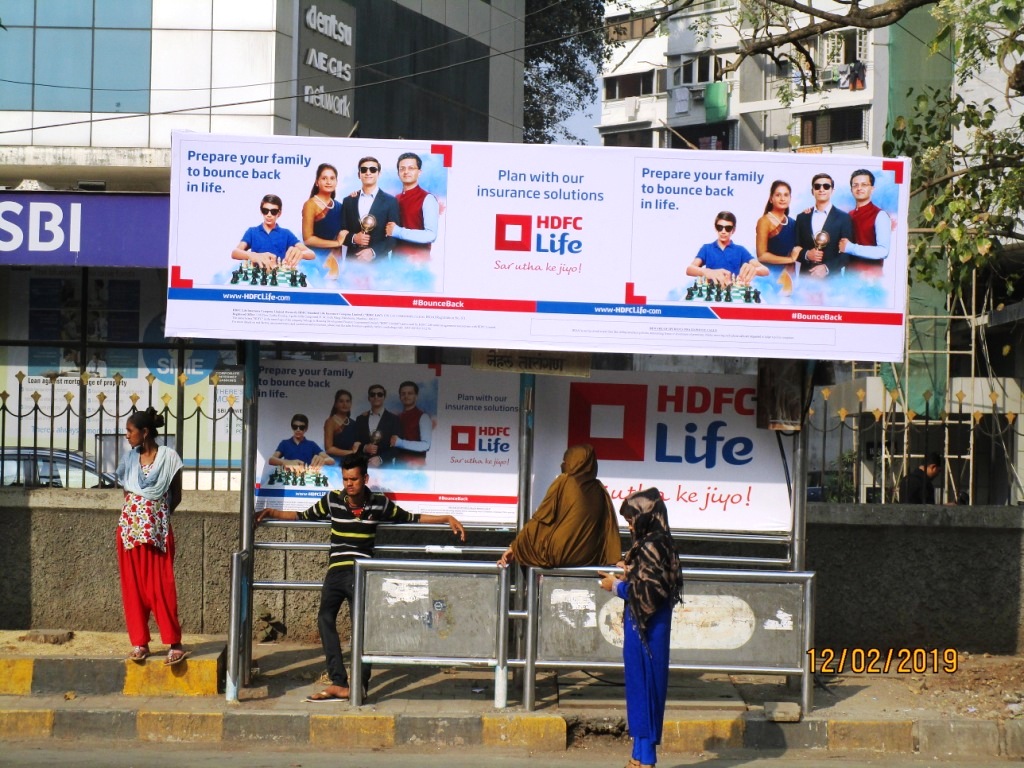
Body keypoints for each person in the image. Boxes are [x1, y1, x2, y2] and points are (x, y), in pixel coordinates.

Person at [255, 454, 466, 701]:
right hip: (336, 571)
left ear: (365, 478)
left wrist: (446, 518)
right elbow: (302, 516)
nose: (349, 484)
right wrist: (271, 511)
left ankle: (359, 686)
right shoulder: (332, 500)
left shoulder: (378, 503)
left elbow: (412, 517)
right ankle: (338, 682)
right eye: (345, 479)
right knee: (324, 619)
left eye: (354, 478)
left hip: (361, 572)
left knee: (361, 628)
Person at [598, 488, 682, 768]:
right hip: (650, 625)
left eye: (632, 518)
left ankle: (646, 759)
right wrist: (631, 569)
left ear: (646, 516)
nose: (629, 524)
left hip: (647, 627)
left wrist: (617, 586)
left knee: (644, 688)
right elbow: (654, 579)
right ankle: (638, 755)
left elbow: (652, 593)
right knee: (643, 687)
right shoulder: (659, 541)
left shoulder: (651, 545)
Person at [115, 406, 187, 665]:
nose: (127, 435)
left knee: (161, 587)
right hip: (129, 532)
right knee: (133, 588)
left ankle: (174, 641)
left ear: (145, 432)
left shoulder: (169, 458)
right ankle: (140, 642)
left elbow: (176, 496)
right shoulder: (129, 460)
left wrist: (155, 516)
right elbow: (127, 493)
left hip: (156, 532)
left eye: (130, 431)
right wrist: (136, 517)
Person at [498, 444, 620, 569]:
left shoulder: (564, 481)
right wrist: (616, 559)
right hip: (588, 558)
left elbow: (541, 519)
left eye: (566, 461)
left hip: (558, 554)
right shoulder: (599, 488)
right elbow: (607, 527)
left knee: (529, 547)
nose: (563, 464)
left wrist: (516, 547)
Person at [231, 194, 314, 270]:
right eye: (265, 210)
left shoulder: (286, 233)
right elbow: (235, 253)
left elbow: (311, 254)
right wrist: (252, 255)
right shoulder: (252, 232)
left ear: (279, 213)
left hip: (278, 275)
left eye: (273, 211)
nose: (269, 215)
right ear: (261, 211)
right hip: (257, 275)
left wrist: (300, 253)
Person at [685, 211, 768, 286]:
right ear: (715, 228)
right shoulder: (706, 248)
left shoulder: (740, 250)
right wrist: (707, 272)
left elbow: (765, 270)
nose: (723, 231)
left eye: (728, 228)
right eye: (720, 227)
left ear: (733, 230)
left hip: (733, 292)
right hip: (711, 292)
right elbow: (689, 269)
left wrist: (754, 270)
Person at [340, 157, 399, 262]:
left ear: (379, 174)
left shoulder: (391, 202)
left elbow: (394, 237)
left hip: (379, 265)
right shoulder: (348, 201)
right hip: (353, 264)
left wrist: (373, 251)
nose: (368, 173)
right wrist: (353, 238)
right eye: (364, 170)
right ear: (359, 175)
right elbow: (340, 231)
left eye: (372, 169)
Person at [795, 173, 853, 279]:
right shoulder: (801, 217)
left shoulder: (844, 218)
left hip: (832, 282)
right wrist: (806, 254)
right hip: (806, 281)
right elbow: (793, 248)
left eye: (826, 186)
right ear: (812, 191)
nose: (821, 189)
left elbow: (848, 253)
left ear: (832, 191)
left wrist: (827, 268)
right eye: (817, 186)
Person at [385, 152, 439, 259]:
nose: (406, 172)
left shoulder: (428, 199)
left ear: (419, 172)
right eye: (402, 168)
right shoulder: (395, 199)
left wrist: (398, 231)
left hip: (417, 264)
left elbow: (431, 235)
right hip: (396, 263)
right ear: (398, 173)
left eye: (411, 168)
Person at [839, 169, 892, 279]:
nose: (859, 188)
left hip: (870, 281)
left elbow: (883, 251)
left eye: (864, 185)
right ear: (851, 189)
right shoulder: (848, 215)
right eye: (855, 185)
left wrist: (851, 247)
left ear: (872, 189)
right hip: (848, 280)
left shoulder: (880, 215)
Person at [301, 163, 350, 281]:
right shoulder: (310, 205)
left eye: (332, 178)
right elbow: (308, 239)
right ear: (317, 182)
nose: (328, 182)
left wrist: (353, 199)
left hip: (335, 262)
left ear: (336, 182)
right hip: (315, 262)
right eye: (324, 178)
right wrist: (337, 243)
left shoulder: (339, 206)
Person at [755, 180, 801, 274]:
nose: (782, 198)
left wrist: (807, 215)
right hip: (771, 277)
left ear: (790, 198)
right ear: (771, 199)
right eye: (778, 195)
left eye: (786, 195)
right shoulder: (764, 221)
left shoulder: (793, 222)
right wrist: (790, 259)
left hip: (789, 276)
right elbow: (762, 256)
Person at [354, 384, 402, 467]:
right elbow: (354, 442)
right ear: (369, 398)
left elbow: (397, 447)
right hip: (362, 466)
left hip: (385, 468)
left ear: (384, 397)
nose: (376, 397)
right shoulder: (360, 419)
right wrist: (364, 448)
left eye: (380, 394)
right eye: (373, 394)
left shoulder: (394, 419)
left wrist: (381, 458)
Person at [268, 413, 334, 470]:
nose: (298, 430)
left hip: (306, 477)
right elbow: (271, 460)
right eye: (295, 427)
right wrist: (286, 462)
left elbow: (331, 460)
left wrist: (323, 461)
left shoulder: (311, 445)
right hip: (288, 477)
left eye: (301, 427)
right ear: (292, 427)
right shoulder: (284, 443)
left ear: (306, 428)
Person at [390, 380, 433, 467]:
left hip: (415, 468)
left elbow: (425, 445)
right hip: (398, 467)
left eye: (410, 393)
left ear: (416, 396)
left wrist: (400, 443)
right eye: (403, 393)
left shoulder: (423, 417)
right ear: (400, 397)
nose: (406, 396)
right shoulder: (397, 417)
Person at [324, 389, 361, 460]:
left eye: (347, 401)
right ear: (335, 404)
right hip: (336, 463)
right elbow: (329, 449)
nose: (345, 404)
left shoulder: (353, 423)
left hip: (351, 462)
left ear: (351, 404)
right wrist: (351, 452)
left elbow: (357, 441)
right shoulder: (330, 422)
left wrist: (357, 445)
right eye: (341, 401)